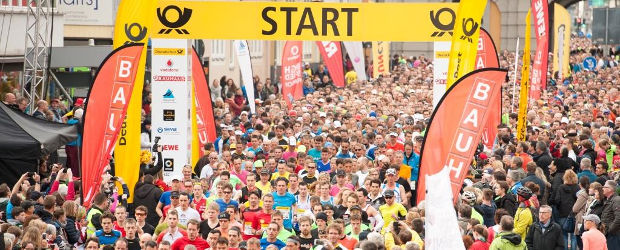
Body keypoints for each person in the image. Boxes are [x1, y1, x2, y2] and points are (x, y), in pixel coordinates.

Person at [601, 180, 620, 250]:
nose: (602, 188)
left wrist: (609, 230)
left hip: (614, 235)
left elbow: (618, 218)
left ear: (610, 189)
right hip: (608, 234)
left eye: (604, 187)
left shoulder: (616, 200)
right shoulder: (608, 200)